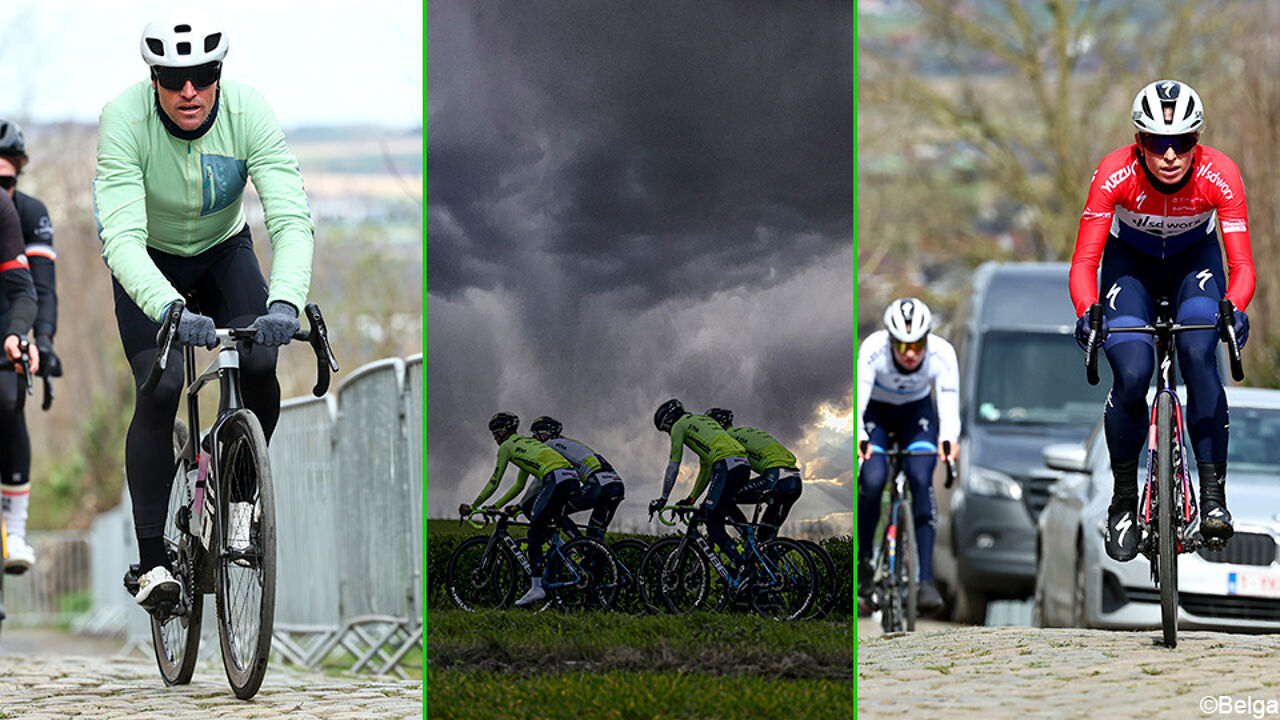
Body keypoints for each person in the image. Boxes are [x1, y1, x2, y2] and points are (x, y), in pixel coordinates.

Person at [94, 12, 315, 610]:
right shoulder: (123, 118)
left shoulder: (249, 111)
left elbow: (291, 217)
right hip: (149, 259)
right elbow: (120, 236)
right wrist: (167, 306)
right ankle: (151, 563)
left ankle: (237, 496)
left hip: (223, 250)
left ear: (219, 74)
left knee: (262, 363)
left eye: (201, 75)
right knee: (163, 385)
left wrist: (286, 300)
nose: (187, 91)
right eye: (172, 78)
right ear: (154, 79)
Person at [1069, 79, 1253, 562]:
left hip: (1196, 264)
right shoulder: (1114, 174)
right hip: (1132, 266)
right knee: (1131, 375)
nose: (1170, 155)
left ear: (1198, 142)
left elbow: (1243, 267)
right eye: (1156, 143)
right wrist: (1088, 310)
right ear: (1139, 142)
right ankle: (1124, 503)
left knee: (1198, 351)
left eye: (1183, 142)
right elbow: (1085, 262)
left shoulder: (1221, 174)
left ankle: (1214, 497)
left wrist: (1234, 305)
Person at [856, 298, 960, 614]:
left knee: (919, 478)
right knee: (873, 481)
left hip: (917, 414)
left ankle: (924, 580)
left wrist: (948, 439)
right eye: (901, 346)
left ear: (927, 338)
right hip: (877, 412)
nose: (911, 353)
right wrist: (860, 437)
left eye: (917, 344)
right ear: (890, 339)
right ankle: (864, 561)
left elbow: (948, 404)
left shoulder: (942, 354)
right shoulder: (873, 349)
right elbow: (858, 402)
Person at [0, 119, 57, 573]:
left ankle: (13, 527)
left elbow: (38, 288)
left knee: (8, 398)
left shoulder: (26, 211)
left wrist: (41, 341)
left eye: (7, 181)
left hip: (9, 316)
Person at [459, 412, 581, 607]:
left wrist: (474, 506)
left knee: (534, 528)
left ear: (501, 431)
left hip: (555, 478)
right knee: (532, 511)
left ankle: (537, 587)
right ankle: (569, 552)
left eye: (494, 434)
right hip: (570, 478)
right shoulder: (525, 444)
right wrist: (497, 506)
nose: (494, 438)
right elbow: (518, 486)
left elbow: (494, 481)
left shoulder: (507, 447)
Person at [650, 399, 751, 577]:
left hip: (725, 464)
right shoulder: (702, 423)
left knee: (713, 524)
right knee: (717, 508)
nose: (668, 432)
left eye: (665, 428)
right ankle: (750, 550)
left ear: (669, 419)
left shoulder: (678, 426)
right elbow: (705, 469)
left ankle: (742, 568)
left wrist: (663, 498)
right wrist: (691, 499)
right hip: (742, 464)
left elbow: (674, 465)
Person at [703, 408, 802, 543]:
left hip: (775, 476)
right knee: (765, 539)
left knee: (727, 498)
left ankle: (748, 538)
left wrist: (707, 501)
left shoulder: (727, 439)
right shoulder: (745, 431)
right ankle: (765, 557)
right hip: (794, 479)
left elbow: (723, 476)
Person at [529, 415, 625, 541]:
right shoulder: (567, 442)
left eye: (537, 434)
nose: (535, 438)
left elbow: (544, 480)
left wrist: (523, 503)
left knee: (556, 511)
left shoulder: (549, 446)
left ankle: (579, 546)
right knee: (595, 535)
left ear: (545, 434)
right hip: (615, 484)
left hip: (598, 484)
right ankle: (599, 556)